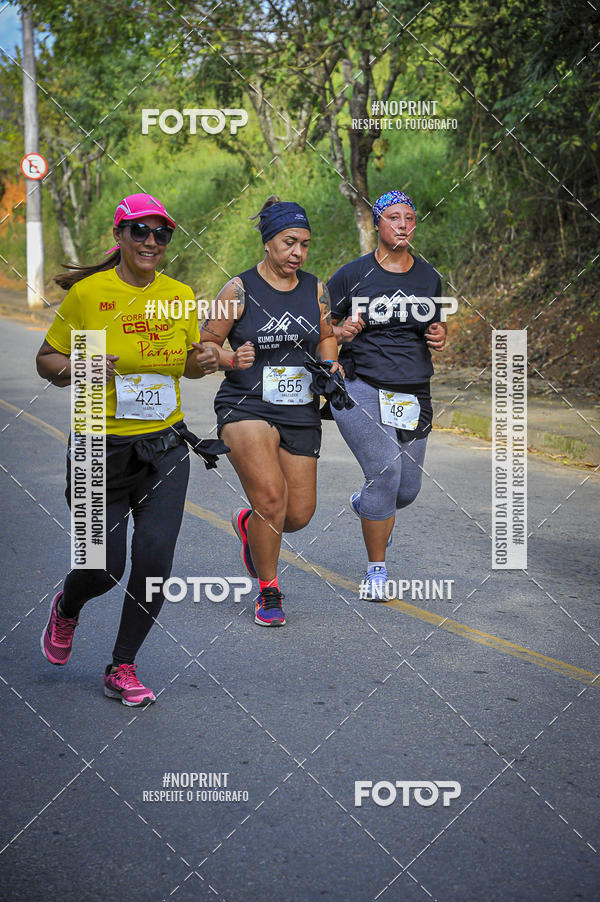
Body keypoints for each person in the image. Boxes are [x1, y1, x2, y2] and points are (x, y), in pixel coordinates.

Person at [36, 192, 220, 705]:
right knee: (102, 566)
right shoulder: (90, 295)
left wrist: (201, 361)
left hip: (164, 446)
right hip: (99, 445)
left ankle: (123, 665)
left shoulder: (180, 295)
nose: (151, 241)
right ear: (119, 237)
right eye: (140, 230)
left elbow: (183, 360)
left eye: (161, 233)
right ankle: (69, 606)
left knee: (155, 564)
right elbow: (46, 361)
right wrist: (84, 368)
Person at [199, 196, 341, 626]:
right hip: (246, 404)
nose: (297, 253)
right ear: (268, 242)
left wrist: (331, 361)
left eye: (304, 244)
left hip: (300, 407)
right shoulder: (238, 290)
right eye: (288, 242)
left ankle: (249, 524)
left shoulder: (315, 288)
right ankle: (268, 589)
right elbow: (205, 345)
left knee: (296, 515)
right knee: (271, 498)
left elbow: (326, 335)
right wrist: (226, 359)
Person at [328, 189, 447, 599]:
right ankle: (376, 571)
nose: (402, 225)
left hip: (413, 388)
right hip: (361, 383)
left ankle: (367, 504)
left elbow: (435, 326)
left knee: (405, 490)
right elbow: (324, 328)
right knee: (385, 473)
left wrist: (438, 333)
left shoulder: (429, 277)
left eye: (409, 218)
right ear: (377, 223)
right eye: (393, 217)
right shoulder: (350, 275)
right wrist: (342, 333)